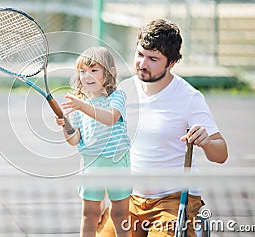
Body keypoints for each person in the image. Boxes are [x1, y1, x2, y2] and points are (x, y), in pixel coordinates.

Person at [96, 19, 228, 237]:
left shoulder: (189, 98)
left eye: (153, 59)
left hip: (173, 200)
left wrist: (206, 141)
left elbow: (221, 154)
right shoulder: (124, 91)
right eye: (140, 54)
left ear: (172, 63)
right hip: (130, 198)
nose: (142, 64)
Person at [56, 46, 132, 237]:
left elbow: (110, 118)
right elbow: (74, 140)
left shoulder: (117, 96)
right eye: (83, 71)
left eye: (94, 70)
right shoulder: (79, 102)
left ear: (109, 73)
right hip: (91, 165)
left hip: (117, 163)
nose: (87, 76)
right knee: (90, 214)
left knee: (120, 214)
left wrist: (82, 106)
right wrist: (65, 125)